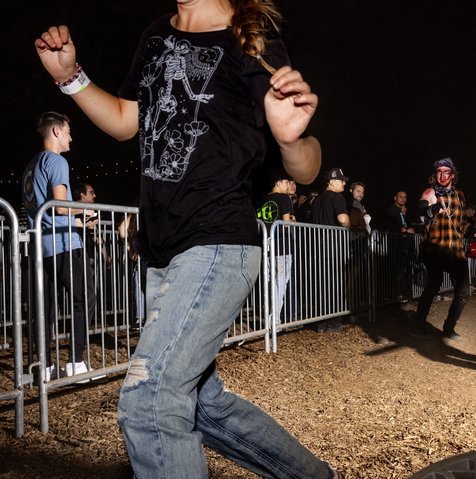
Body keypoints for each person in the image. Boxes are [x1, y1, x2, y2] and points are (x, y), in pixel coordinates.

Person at [35, 2, 344, 477]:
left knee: (150, 401)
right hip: (160, 254)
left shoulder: (251, 37)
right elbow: (126, 120)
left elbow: (308, 164)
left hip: (219, 243)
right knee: (203, 405)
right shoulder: (157, 33)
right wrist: (71, 77)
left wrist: (288, 140)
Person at [22, 112, 96, 382]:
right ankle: (75, 363)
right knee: (85, 299)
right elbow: (60, 206)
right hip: (63, 243)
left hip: (40, 247)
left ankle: (45, 366)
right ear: (55, 132)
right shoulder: (57, 161)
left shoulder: (30, 167)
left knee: (46, 308)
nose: (71, 137)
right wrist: (83, 216)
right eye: (67, 131)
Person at [411, 158, 469, 341]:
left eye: (446, 172)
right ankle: (419, 324)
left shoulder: (460, 194)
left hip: (456, 250)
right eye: (439, 172)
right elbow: (419, 217)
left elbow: (462, 221)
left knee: (463, 291)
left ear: (453, 174)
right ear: (435, 175)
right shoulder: (430, 192)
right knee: (433, 285)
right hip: (435, 248)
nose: (443, 175)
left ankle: (449, 328)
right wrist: (433, 209)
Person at [256, 169, 295, 326]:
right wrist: (293, 221)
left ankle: (269, 316)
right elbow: (286, 224)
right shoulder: (284, 198)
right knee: (280, 283)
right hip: (282, 247)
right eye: (286, 182)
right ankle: (275, 321)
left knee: (269, 283)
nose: (288, 185)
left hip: (266, 246)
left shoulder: (262, 199)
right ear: (278, 183)